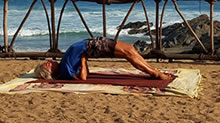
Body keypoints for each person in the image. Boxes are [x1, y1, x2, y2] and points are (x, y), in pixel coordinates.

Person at [34, 37, 171, 80]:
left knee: (130, 50)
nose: (49, 61)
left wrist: (84, 61)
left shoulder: (64, 66)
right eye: (47, 65)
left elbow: (83, 72)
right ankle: (155, 73)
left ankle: (154, 71)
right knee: (129, 51)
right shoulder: (65, 71)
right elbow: (82, 78)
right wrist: (83, 60)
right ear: (49, 72)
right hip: (92, 46)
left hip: (91, 44)